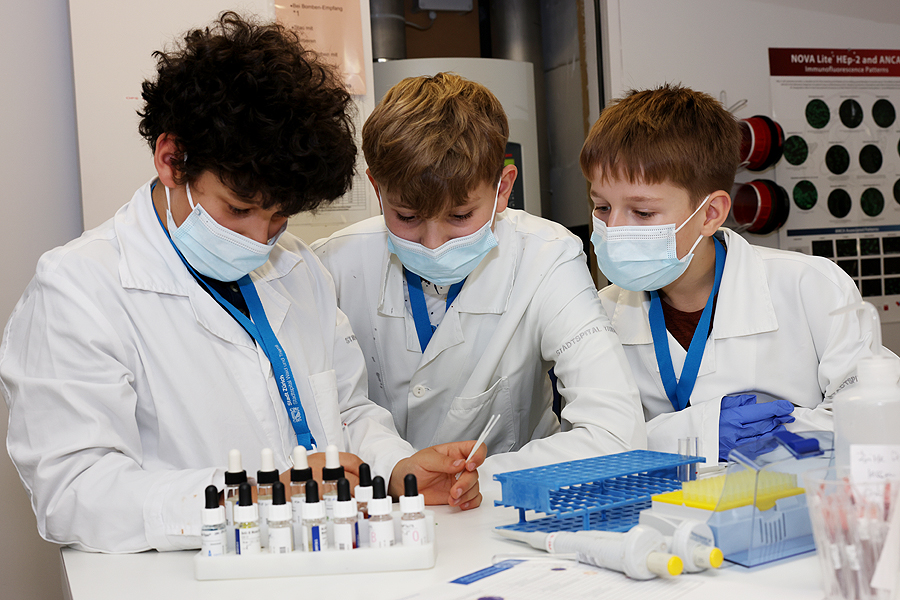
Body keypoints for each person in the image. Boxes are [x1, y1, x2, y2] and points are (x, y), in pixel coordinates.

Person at [0, 13, 484, 554]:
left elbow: (344, 411)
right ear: (171, 160)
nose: (259, 239)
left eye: (278, 217)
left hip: (324, 562)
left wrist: (396, 469)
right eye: (239, 209)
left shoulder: (298, 268)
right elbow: (74, 494)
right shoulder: (80, 289)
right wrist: (260, 494)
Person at [311, 72, 646, 476]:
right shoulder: (334, 263)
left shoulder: (547, 257)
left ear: (503, 188)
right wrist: (396, 470)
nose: (432, 243)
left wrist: (474, 478)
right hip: (382, 508)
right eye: (407, 216)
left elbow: (615, 432)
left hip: (505, 506)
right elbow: (333, 415)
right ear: (377, 189)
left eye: (460, 216)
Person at [580, 83, 884, 464]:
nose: (616, 229)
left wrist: (773, 438)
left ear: (710, 214)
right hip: (660, 517)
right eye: (603, 207)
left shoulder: (811, 286)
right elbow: (589, 442)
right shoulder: (598, 314)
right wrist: (698, 433)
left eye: (642, 213)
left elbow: (874, 414)